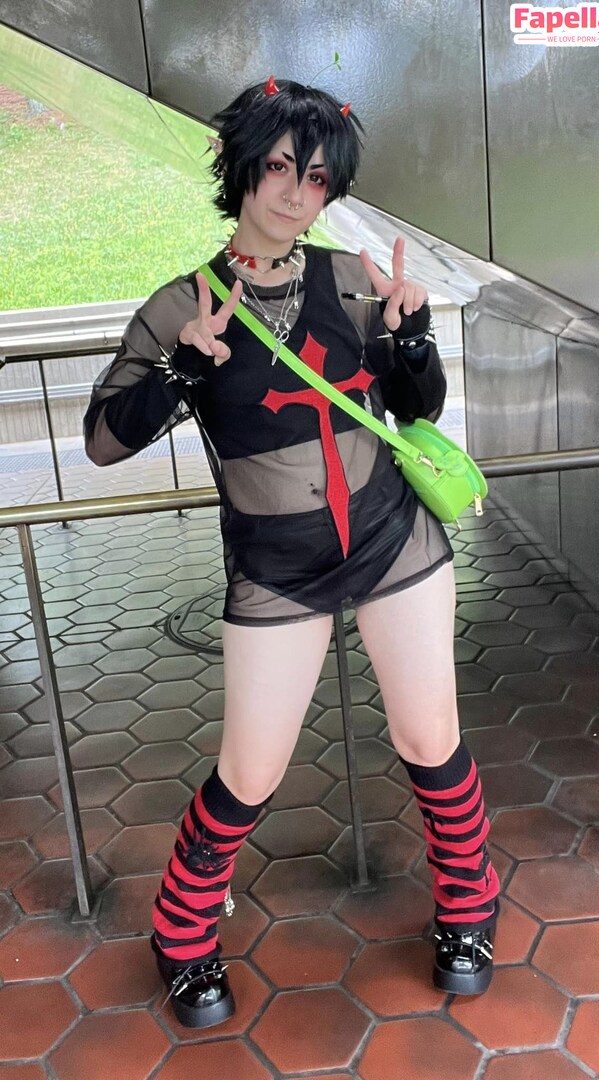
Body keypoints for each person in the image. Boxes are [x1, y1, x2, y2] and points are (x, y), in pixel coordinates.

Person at [84, 76, 500, 1028]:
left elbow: (418, 408)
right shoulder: (181, 304)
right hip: (275, 564)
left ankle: (469, 907)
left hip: (392, 538)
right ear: (242, 168)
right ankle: (180, 933)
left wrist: (410, 338)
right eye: (278, 166)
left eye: (315, 178)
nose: (294, 192)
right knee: (251, 770)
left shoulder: (350, 279)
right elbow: (103, 440)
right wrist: (182, 367)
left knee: (428, 739)